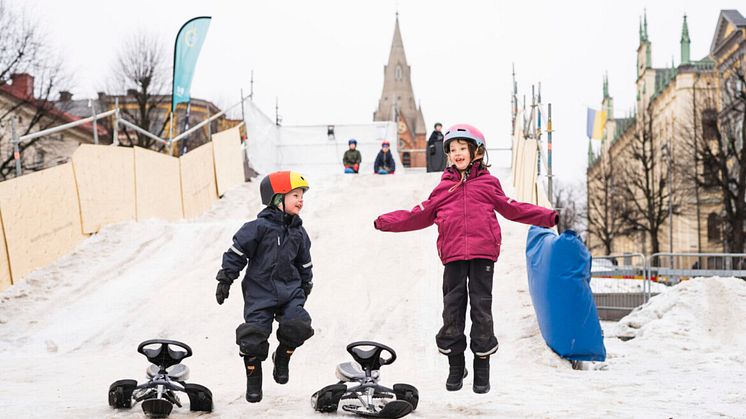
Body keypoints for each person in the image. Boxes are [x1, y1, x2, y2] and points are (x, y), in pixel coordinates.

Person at [373, 124, 558, 394]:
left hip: (483, 255)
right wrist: (385, 222)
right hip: (453, 256)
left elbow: (512, 208)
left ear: (476, 152)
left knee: (482, 311)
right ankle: (455, 364)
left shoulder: (488, 184)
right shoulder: (443, 189)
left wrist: (547, 217)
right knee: (452, 310)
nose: (457, 154)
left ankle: (482, 366)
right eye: (452, 150)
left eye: (462, 148)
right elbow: (416, 214)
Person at [214, 170, 315, 403]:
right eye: (295, 195)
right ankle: (254, 378)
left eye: (302, 196)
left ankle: (282, 357)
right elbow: (236, 253)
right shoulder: (257, 228)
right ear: (277, 198)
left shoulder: (299, 232)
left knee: (298, 324)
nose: (301, 200)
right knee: (253, 337)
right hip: (260, 293)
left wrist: (306, 283)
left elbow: (305, 262)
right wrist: (225, 279)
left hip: (290, 292)